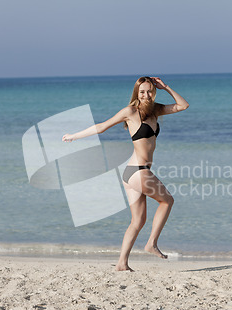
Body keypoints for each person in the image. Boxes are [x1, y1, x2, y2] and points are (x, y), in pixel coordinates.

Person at [62, 76, 189, 271]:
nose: (146, 95)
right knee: (167, 201)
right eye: (142, 92)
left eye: (149, 91)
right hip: (138, 172)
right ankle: (151, 244)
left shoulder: (156, 110)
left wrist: (166, 87)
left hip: (132, 173)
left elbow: (183, 105)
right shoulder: (130, 111)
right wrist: (73, 136)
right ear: (136, 93)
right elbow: (101, 127)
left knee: (138, 221)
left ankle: (122, 263)